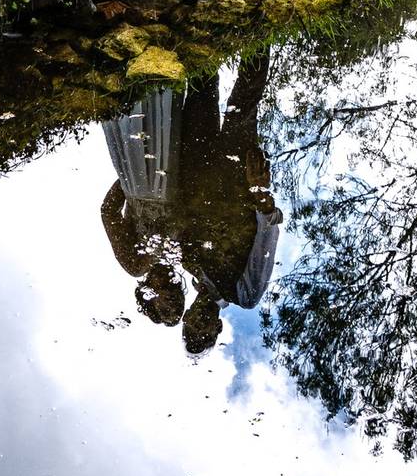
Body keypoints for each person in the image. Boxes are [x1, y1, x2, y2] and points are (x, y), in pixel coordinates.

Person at [100, 50, 282, 354]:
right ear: (218, 327)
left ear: (187, 318)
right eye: (205, 330)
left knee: (202, 86)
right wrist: (259, 190)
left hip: (195, 163)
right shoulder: (245, 295)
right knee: (245, 99)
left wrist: (133, 177)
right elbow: (268, 234)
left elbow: (168, 211)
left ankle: (206, 29)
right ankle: (261, 24)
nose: (199, 322)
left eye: (191, 326)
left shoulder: (186, 262)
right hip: (238, 177)